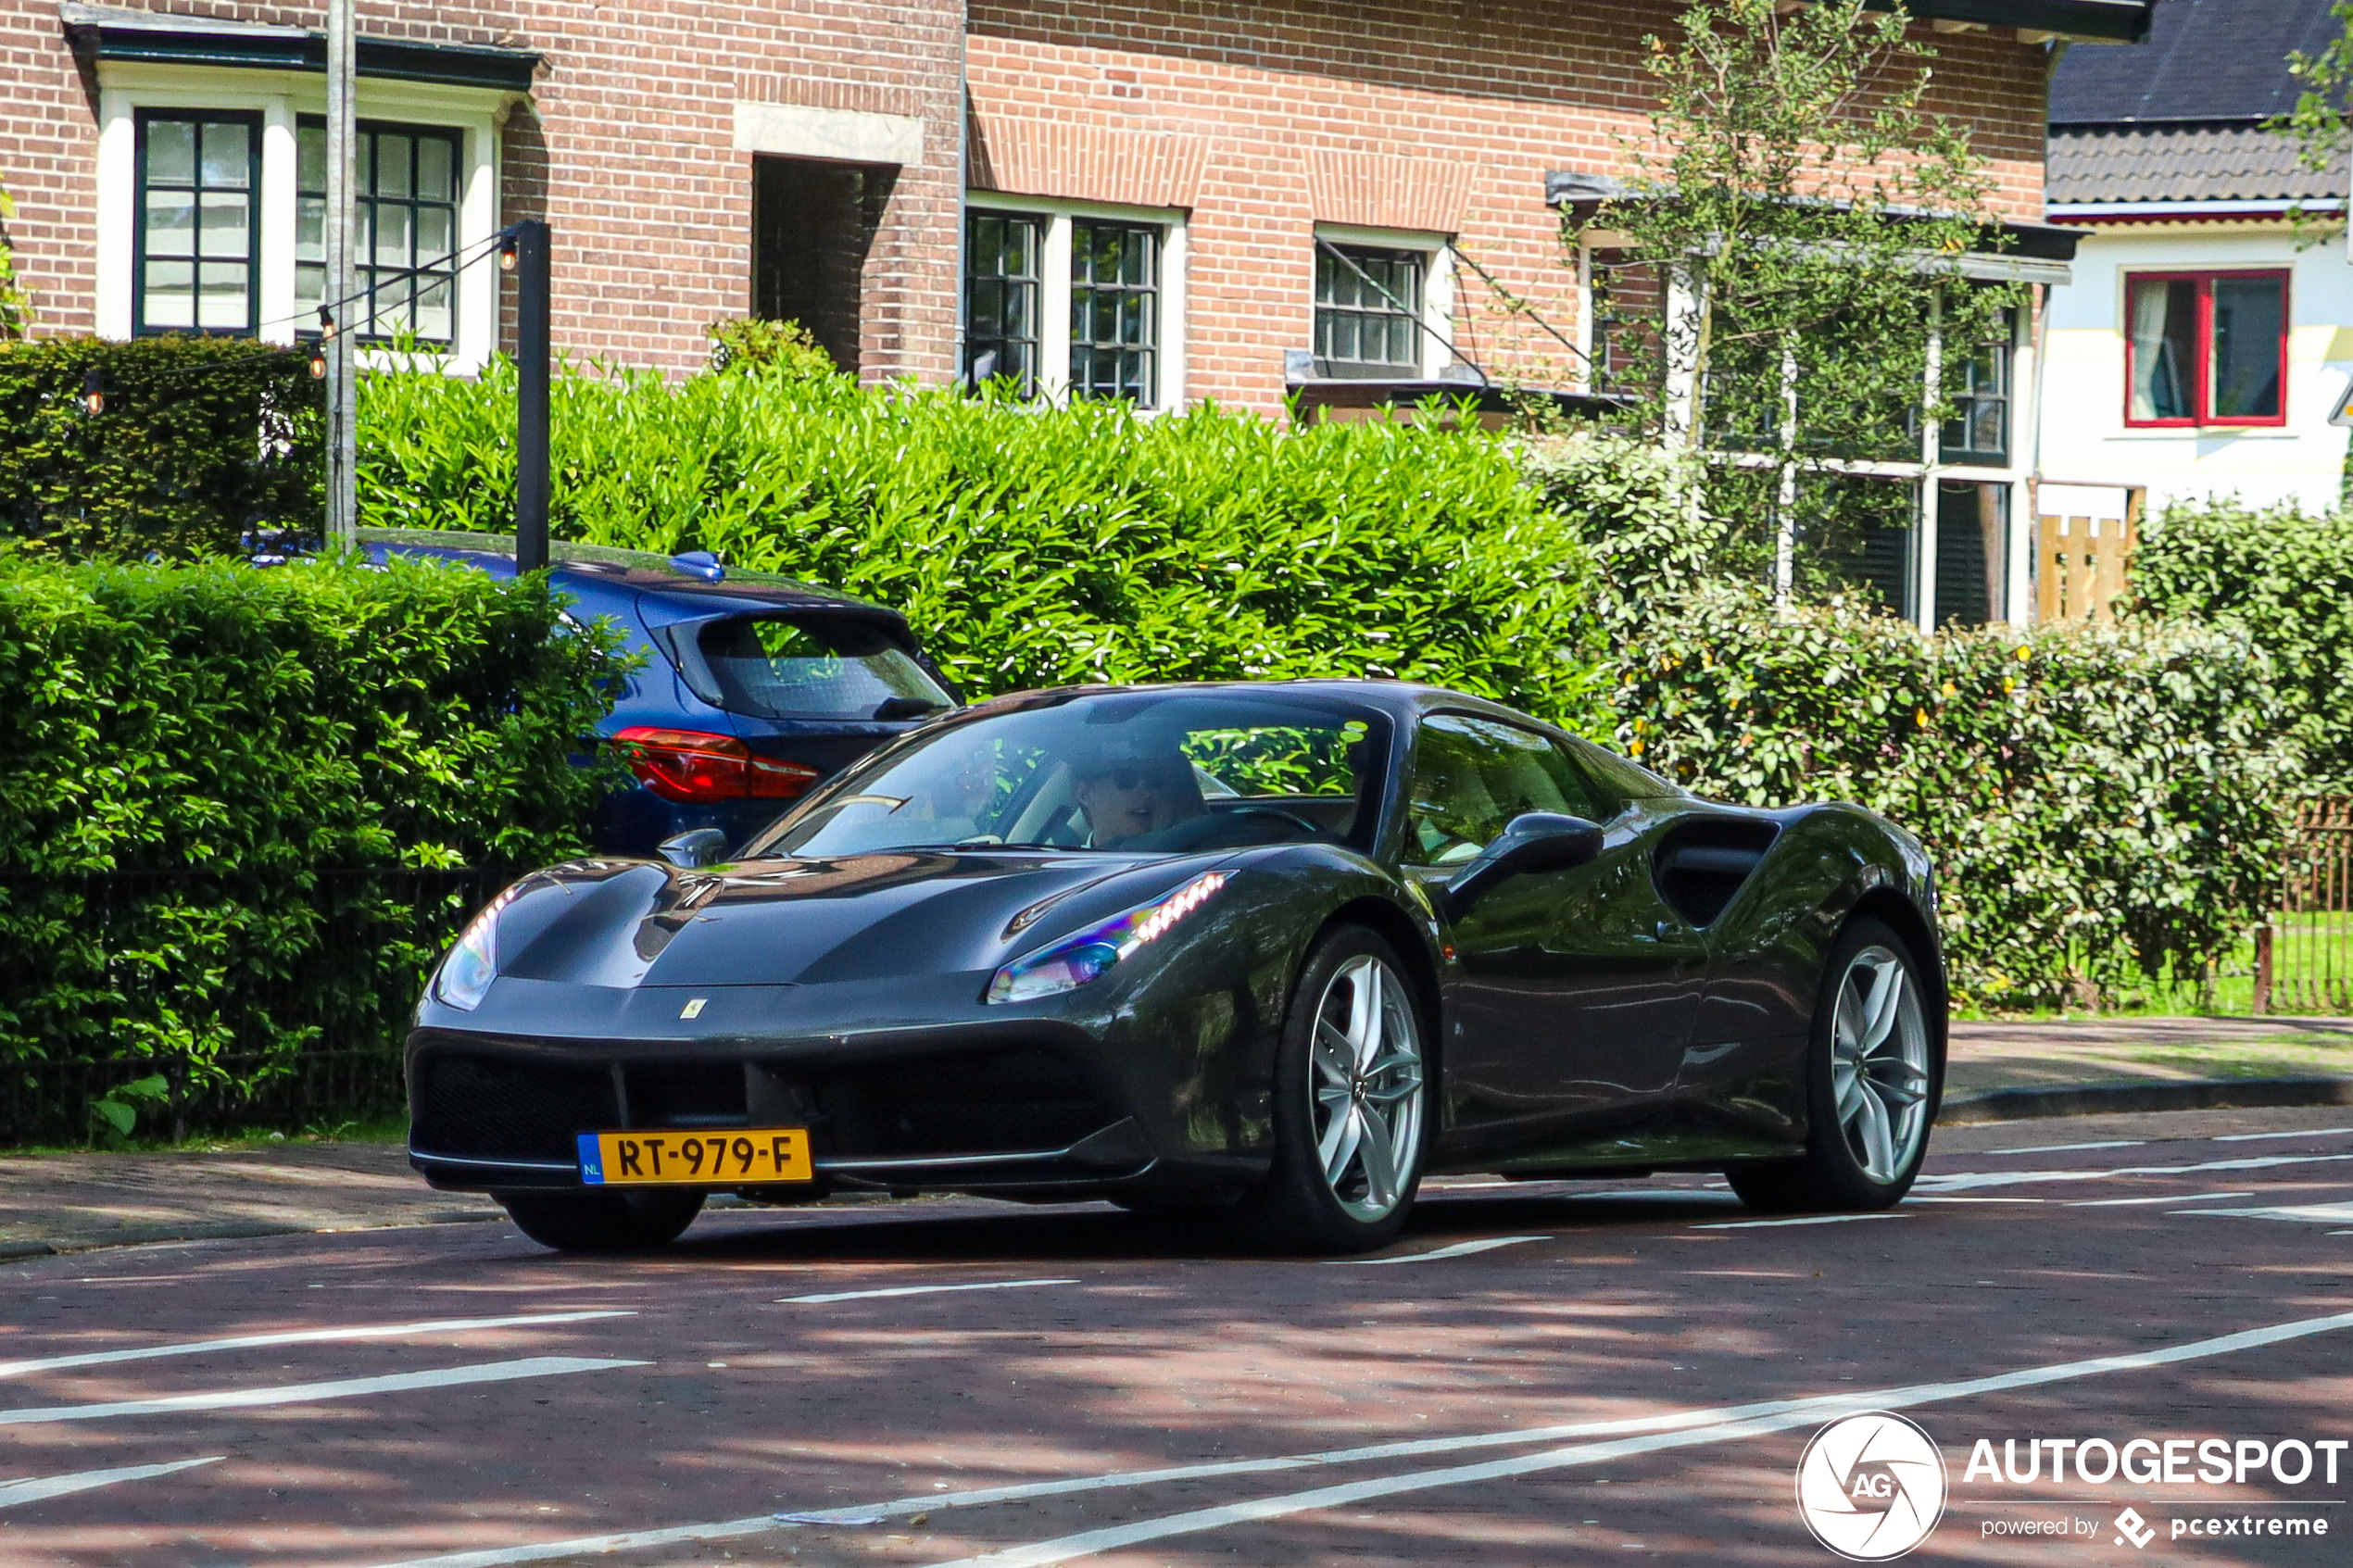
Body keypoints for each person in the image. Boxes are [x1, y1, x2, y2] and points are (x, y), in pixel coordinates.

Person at [1069, 737, 1206, 848]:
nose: (1146, 791)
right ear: (1084, 794)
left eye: (1154, 779)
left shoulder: (1190, 860)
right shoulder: (1069, 870)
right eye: (1127, 779)